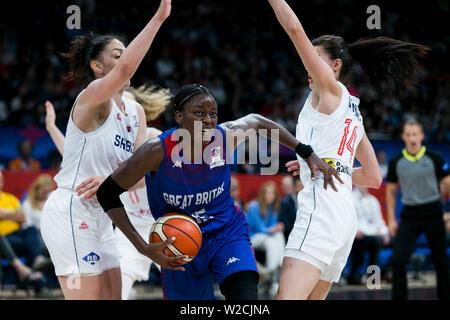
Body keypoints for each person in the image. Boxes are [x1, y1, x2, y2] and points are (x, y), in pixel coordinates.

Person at [95, 83, 342, 300]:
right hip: (180, 243)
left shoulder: (225, 137)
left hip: (226, 232)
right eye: (199, 113)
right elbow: (106, 193)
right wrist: (141, 246)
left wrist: (307, 152)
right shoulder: (156, 151)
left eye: (212, 114)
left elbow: (257, 121)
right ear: (179, 117)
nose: (208, 120)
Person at [267, 0, 429, 300]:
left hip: (321, 212)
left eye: (315, 58)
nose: (308, 65)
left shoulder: (328, 90)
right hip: (343, 219)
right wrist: (324, 164)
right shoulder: (354, 111)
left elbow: (293, 28)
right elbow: (372, 178)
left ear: (335, 65)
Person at [40, 0, 173, 300]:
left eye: (126, 54)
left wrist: (111, 182)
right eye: (118, 55)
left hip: (104, 214)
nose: (127, 60)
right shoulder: (93, 97)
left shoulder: (135, 112)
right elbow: (127, 68)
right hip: (71, 210)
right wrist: (160, 17)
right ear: (98, 67)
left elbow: (139, 174)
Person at [44, 83, 172, 300]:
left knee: (184, 284)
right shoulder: (107, 141)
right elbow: (74, 157)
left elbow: (142, 177)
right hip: (128, 227)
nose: (119, 107)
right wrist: (51, 128)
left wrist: (110, 183)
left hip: (159, 223)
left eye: (125, 102)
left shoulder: (151, 137)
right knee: (115, 293)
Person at [386, 118, 450, 300]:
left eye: (415, 134)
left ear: (421, 136)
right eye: (409, 135)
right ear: (403, 137)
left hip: (433, 212)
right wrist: (391, 219)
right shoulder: (396, 161)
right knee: (398, 260)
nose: (412, 138)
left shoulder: (435, 157)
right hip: (410, 214)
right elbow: (390, 190)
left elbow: (448, 183)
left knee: (441, 260)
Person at [0, 170, 50, 273]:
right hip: (4, 238)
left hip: (17, 234)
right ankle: (37, 280)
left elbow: (22, 217)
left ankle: (38, 260)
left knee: (31, 229)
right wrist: (13, 214)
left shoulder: (11, 198)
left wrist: (3, 214)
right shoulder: (27, 203)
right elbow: (18, 214)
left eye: (1, 178)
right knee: (33, 244)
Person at [246, 180, 285, 295]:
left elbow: (272, 226)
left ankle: (278, 268)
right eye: (266, 193)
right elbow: (259, 228)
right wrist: (272, 229)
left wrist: (278, 227)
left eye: (272, 193)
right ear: (262, 194)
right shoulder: (254, 206)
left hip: (266, 236)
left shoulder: (274, 207)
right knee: (270, 241)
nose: (269, 196)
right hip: (252, 237)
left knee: (279, 234)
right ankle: (273, 274)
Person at [347, 186, 390, 285]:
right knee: (375, 242)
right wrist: (355, 230)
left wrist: (384, 232)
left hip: (373, 233)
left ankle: (383, 273)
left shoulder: (373, 200)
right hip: (358, 234)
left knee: (396, 241)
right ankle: (362, 275)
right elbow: (348, 219)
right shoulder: (351, 198)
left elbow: (379, 221)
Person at [279, 175, 298, 243]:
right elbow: (285, 224)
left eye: (288, 185)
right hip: (291, 236)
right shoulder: (283, 202)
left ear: (293, 185)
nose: (285, 188)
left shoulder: (301, 198)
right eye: (284, 185)